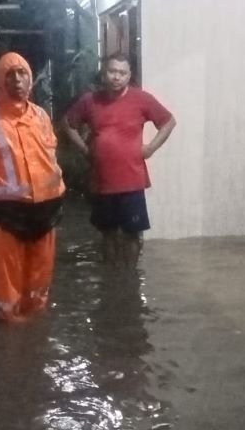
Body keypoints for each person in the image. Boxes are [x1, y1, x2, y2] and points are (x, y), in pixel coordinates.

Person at [0, 52, 66, 322]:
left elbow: (50, 159)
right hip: (5, 215)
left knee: (40, 276)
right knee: (6, 277)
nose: (17, 80)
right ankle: (9, 334)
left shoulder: (41, 116)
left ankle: (35, 329)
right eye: (10, 75)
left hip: (46, 210)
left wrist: (60, 196)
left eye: (22, 74)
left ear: (30, 79)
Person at [62, 53, 176, 271]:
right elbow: (67, 124)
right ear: (104, 73)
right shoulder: (90, 101)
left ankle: (129, 277)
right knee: (107, 233)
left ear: (129, 75)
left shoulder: (141, 99)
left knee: (133, 234)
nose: (117, 77)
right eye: (112, 71)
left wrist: (150, 148)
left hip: (132, 181)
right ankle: (112, 278)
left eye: (122, 73)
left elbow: (169, 121)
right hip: (102, 181)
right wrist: (86, 150)